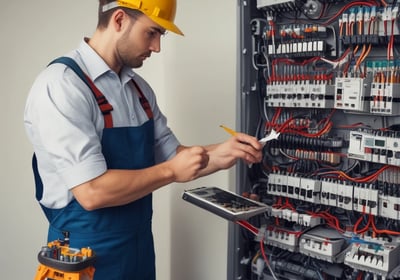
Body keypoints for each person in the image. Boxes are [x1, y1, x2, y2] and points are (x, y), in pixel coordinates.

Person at [24, 0, 263, 279]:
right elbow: (91, 192)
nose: (157, 47)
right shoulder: (62, 85)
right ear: (120, 19)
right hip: (81, 256)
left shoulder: (139, 90)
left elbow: (173, 157)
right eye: (152, 32)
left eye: (161, 35)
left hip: (137, 249)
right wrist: (172, 171)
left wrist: (223, 153)